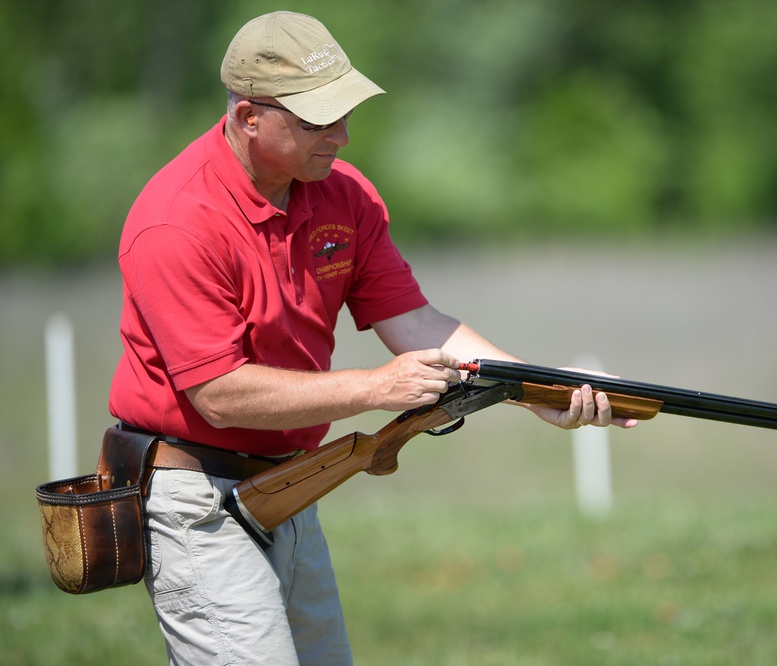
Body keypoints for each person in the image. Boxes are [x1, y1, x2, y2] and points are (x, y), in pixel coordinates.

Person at [108, 10, 636, 665]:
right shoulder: (176, 223)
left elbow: (419, 324)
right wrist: (375, 389)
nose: (343, 136)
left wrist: (541, 391)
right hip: (197, 500)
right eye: (318, 120)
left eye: (344, 113)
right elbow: (218, 393)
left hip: (292, 483)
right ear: (248, 118)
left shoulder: (344, 196)